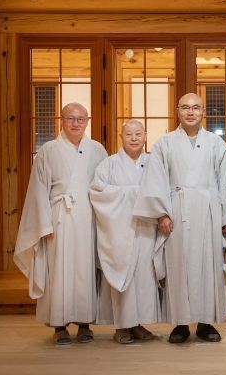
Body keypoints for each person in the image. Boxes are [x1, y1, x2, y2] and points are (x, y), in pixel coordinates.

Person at [134, 93, 226, 344]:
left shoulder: (216, 144)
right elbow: (155, 180)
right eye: (185, 107)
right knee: (179, 265)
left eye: (196, 107)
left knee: (208, 265)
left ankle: (206, 322)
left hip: (208, 210)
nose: (190, 112)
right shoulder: (164, 144)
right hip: (177, 209)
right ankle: (180, 323)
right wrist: (162, 214)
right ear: (177, 111)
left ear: (203, 112)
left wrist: (224, 216)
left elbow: (224, 182)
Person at [14, 103, 107, 345]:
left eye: (80, 119)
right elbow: (38, 190)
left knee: (86, 269)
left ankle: (85, 323)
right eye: (70, 119)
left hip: (88, 217)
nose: (75, 123)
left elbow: (106, 185)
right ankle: (59, 325)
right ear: (62, 120)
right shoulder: (48, 150)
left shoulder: (97, 150)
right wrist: (44, 225)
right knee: (58, 270)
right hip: (58, 218)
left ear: (87, 121)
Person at [90, 120, 161, 344]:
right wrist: (134, 193)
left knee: (143, 276)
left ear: (145, 136)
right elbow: (97, 192)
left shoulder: (154, 163)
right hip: (119, 229)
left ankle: (138, 324)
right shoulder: (108, 164)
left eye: (138, 134)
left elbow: (161, 192)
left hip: (146, 228)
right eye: (129, 134)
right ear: (121, 137)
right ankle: (122, 326)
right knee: (123, 274)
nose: (134, 138)